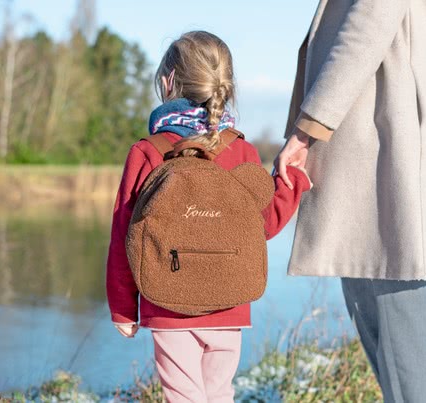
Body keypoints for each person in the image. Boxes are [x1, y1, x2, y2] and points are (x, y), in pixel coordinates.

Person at [275, 1, 426, 402]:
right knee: (379, 316)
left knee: (397, 327)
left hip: (388, 139)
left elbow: (368, 22)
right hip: (378, 142)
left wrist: (309, 125)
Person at [106, 31, 312, 402]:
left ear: (168, 81)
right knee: (218, 395)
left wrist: (123, 307)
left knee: (183, 396)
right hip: (230, 304)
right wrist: (293, 180)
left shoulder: (147, 152)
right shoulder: (242, 151)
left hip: (167, 304)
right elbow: (262, 225)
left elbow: (124, 234)